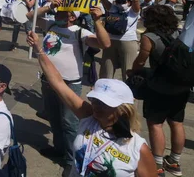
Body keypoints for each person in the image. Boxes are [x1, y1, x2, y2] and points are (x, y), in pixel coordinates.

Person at [27, 31, 157, 177]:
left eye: (105, 103)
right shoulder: (89, 116)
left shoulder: (137, 148)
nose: (96, 106)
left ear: (123, 110)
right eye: (95, 100)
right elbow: (58, 82)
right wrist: (39, 49)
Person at [27, 0, 111, 176]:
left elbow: (105, 44)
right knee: (54, 118)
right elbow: (29, 15)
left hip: (70, 83)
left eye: (62, 11)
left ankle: (71, 160)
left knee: (70, 123)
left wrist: (97, 21)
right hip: (48, 81)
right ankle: (59, 149)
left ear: (72, 17)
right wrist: (50, 5)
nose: (57, 13)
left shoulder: (80, 31)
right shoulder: (50, 25)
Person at [130, 5, 190, 176]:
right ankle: (174, 161)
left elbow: (141, 61)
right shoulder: (181, 33)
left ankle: (157, 165)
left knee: (155, 124)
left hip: (160, 86)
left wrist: (132, 71)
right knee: (176, 122)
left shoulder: (149, 37)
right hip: (182, 85)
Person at [98, 0, 141, 81]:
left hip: (115, 40)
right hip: (124, 41)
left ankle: (108, 90)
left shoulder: (116, 9)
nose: (121, 4)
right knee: (126, 69)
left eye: (122, 1)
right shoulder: (129, 10)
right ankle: (124, 90)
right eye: (119, 2)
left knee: (111, 69)